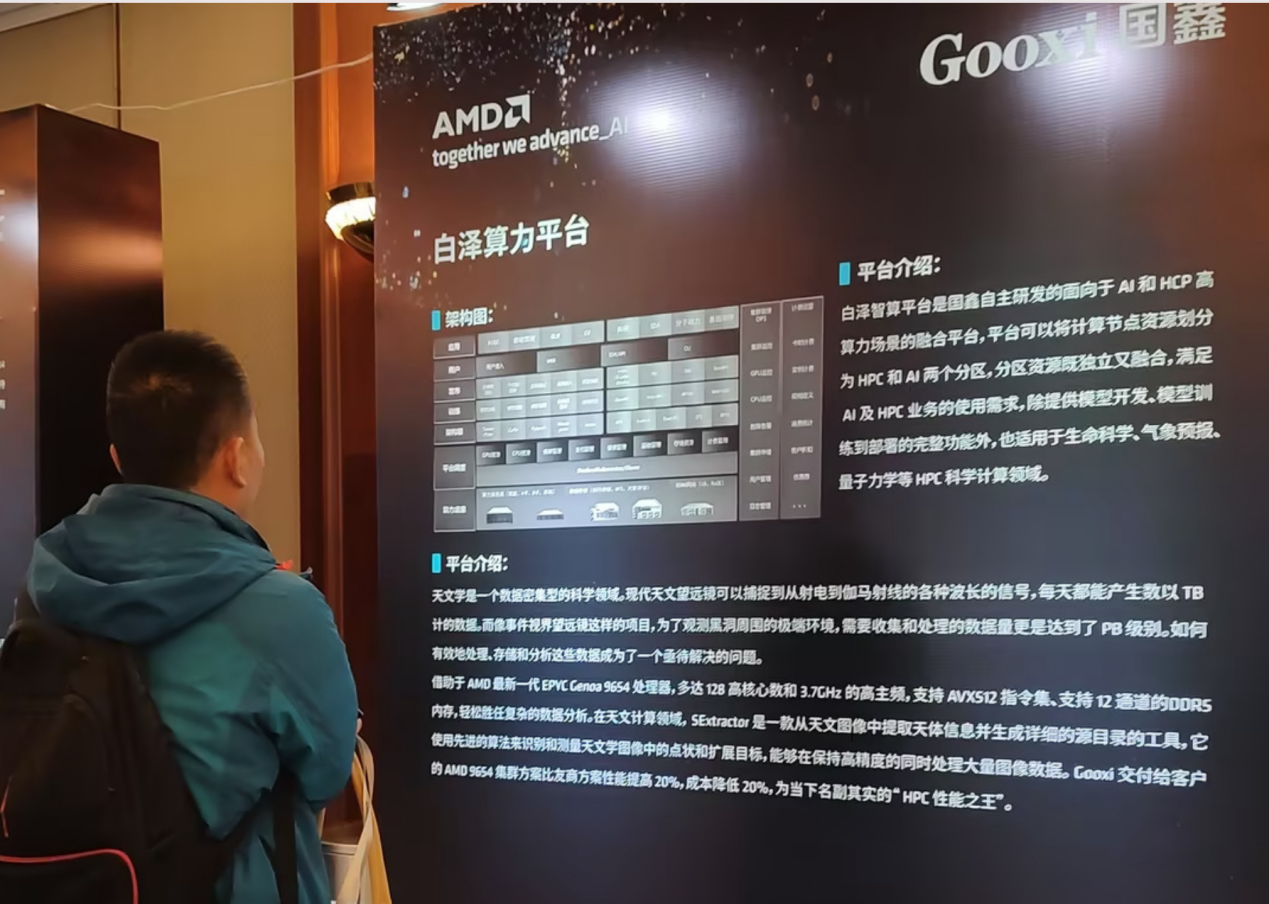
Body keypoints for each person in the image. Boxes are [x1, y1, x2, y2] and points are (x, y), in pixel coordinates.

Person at [24, 330, 358, 904]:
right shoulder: (281, 609)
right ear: (237, 457)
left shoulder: (45, 582)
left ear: (117, 459)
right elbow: (328, 771)